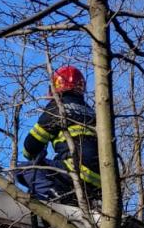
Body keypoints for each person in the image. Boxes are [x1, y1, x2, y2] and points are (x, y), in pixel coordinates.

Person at [19, 64, 101, 203]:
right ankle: (70, 200)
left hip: (77, 170)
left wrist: (35, 154)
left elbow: (30, 147)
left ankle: (57, 197)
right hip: (100, 181)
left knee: (24, 170)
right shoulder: (93, 112)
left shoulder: (58, 107)